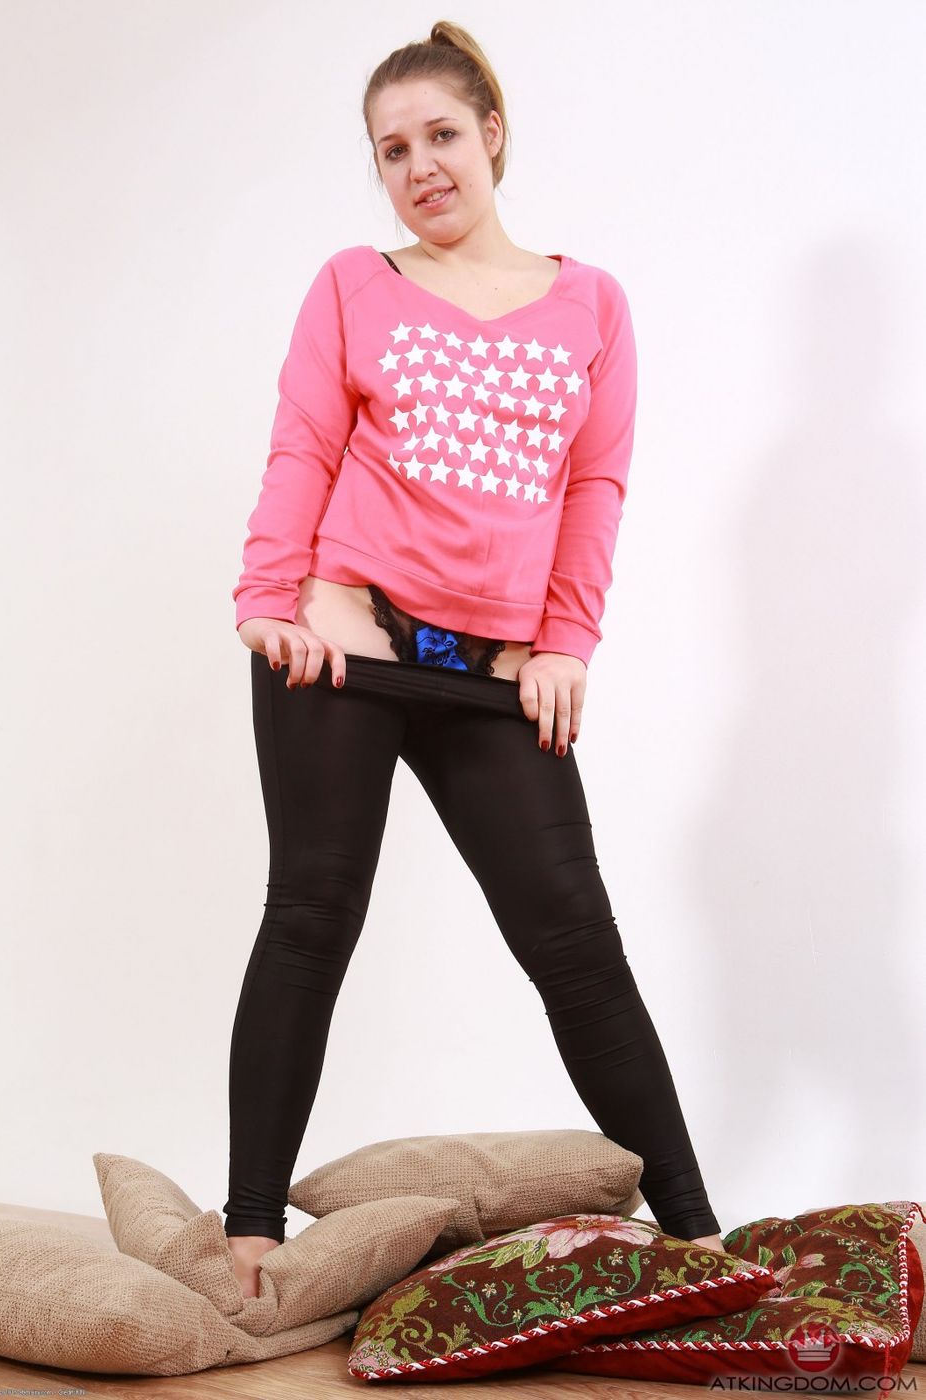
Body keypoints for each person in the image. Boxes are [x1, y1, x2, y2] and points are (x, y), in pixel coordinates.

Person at [223, 20, 727, 1300]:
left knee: (575, 943)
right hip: (346, 639)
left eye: (441, 134)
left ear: (492, 134)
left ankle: (700, 1238)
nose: (419, 168)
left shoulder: (590, 303)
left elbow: (594, 484)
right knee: (310, 919)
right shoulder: (354, 282)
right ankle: (249, 1238)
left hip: (492, 670)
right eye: (391, 150)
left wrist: (565, 640)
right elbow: (302, 443)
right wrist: (273, 600)